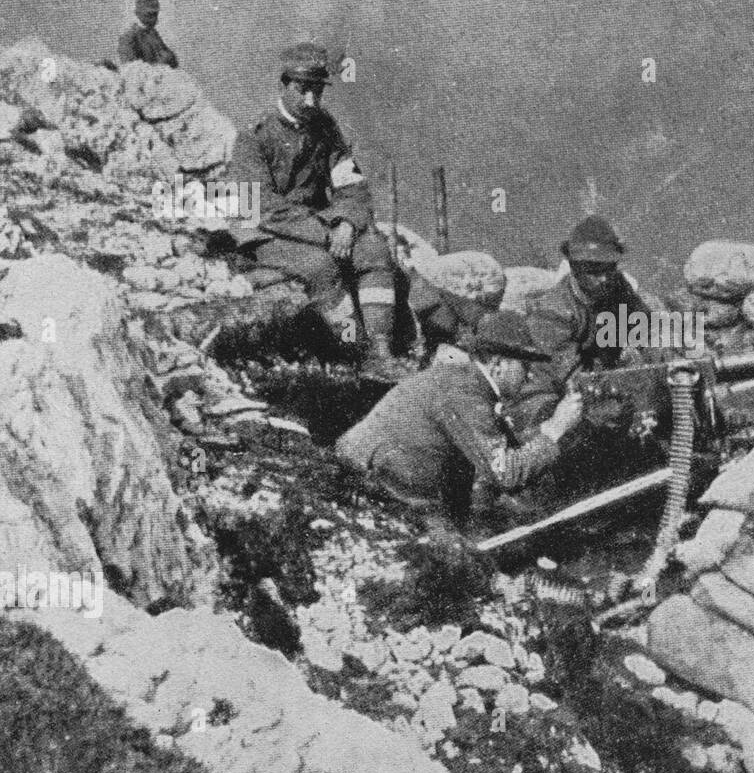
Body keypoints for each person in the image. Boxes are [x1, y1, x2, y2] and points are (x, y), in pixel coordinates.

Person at [225, 41, 402, 381]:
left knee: (374, 250)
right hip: (265, 233)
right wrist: (326, 233)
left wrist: (347, 222)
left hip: (316, 225)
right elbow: (259, 206)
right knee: (322, 267)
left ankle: (381, 351)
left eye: (317, 91)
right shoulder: (254, 136)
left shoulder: (325, 128)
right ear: (285, 84)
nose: (311, 100)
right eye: (302, 90)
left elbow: (351, 185)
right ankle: (353, 349)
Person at [334, 310, 584, 520]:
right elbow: (505, 472)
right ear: (498, 364)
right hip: (372, 480)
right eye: (524, 366)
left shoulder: (466, 381)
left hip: (375, 467)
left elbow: (502, 449)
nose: (529, 375)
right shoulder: (465, 393)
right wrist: (554, 429)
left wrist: (546, 431)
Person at [514, 214, 665, 430]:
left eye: (609, 269)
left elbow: (647, 332)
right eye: (593, 272)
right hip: (552, 398)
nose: (604, 278)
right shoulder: (552, 312)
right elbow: (573, 378)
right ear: (575, 268)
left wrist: (670, 366)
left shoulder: (618, 287)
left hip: (600, 386)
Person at [117, 0, 179, 68]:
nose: (154, 19)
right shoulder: (128, 37)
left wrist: (170, 58)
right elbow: (131, 69)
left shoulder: (153, 33)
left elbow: (172, 60)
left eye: (155, 14)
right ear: (138, 13)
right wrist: (160, 64)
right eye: (149, 14)